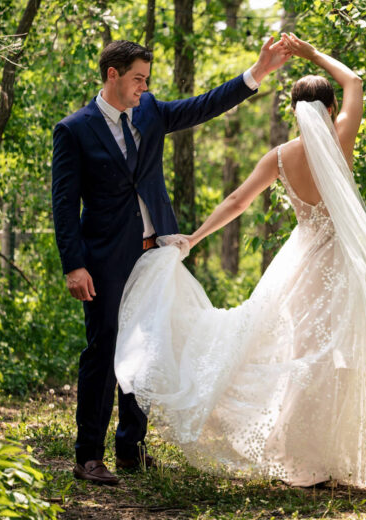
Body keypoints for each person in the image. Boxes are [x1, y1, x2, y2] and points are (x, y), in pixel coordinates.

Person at [114, 34, 366, 487]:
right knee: (336, 360)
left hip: (299, 263)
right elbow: (353, 80)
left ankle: (300, 458)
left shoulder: (280, 157)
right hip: (340, 265)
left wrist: (194, 236)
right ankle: (326, 461)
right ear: (330, 111)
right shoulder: (341, 140)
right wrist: (312, 53)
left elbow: (236, 201)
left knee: (298, 354)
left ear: (294, 113)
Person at [52, 36, 292, 486]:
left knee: (146, 348)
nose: (143, 87)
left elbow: (205, 105)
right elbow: (64, 205)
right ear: (112, 75)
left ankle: (130, 448)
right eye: (137, 79)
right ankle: (88, 456)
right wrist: (74, 264)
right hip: (104, 257)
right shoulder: (75, 129)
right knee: (104, 349)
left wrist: (256, 72)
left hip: (155, 253)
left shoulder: (151, 111)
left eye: (147, 79)